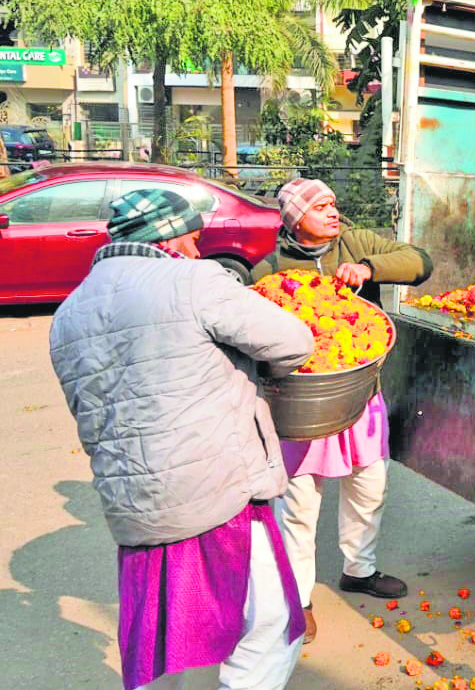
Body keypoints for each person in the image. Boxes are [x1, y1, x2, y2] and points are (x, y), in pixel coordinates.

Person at [49, 188, 316, 690]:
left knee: (160, 637)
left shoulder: (68, 313)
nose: (197, 249)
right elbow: (294, 341)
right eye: (192, 239)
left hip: (134, 503)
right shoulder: (192, 280)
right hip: (216, 487)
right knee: (271, 621)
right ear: (169, 237)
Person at [251, 178, 432, 644]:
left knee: (368, 487)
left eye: (334, 203)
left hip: (359, 389)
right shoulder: (269, 269)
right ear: (295, 219)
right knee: (299, 504)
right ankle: (300, 597)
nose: (332, 212)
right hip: (303, 402)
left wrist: (368, 268)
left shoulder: (355, 240)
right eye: (320, 206)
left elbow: (419, 263)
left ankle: (360, 569)